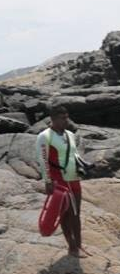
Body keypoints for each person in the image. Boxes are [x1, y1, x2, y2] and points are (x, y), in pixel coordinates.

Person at [36, 104, 84, 257]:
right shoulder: (45, 136)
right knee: (66, 214)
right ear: (53, 119)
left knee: (77, 213)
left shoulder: (70, 134)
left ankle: (79, 245)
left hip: (74, 178)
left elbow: (74, 154)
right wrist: (47, 181)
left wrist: (83, 165)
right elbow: (42, 159)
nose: (66, 120)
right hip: (60, 180)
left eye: (67, 117)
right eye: (63, 118)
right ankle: (72, 246)